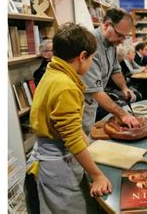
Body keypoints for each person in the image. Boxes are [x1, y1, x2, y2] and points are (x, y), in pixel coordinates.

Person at [29, 23, 111, 213]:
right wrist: (97, 175)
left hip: (51, 155)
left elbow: (73, 128)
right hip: (58, 164)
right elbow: (72, 138)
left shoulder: (53, 71)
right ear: (82, 57)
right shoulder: (66, 86)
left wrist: (90, 146)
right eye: (91, 58)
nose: (91, 63)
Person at [81, 8, 140, 134]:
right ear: (107, 25)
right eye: (119, 35)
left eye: (125, 37)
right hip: (80, 107)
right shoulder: (90, 44)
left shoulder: (111, 44)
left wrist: (124, 88)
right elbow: (95, 91)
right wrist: (123, 115)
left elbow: (115, 70)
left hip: (92, 106)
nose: (121, 41)